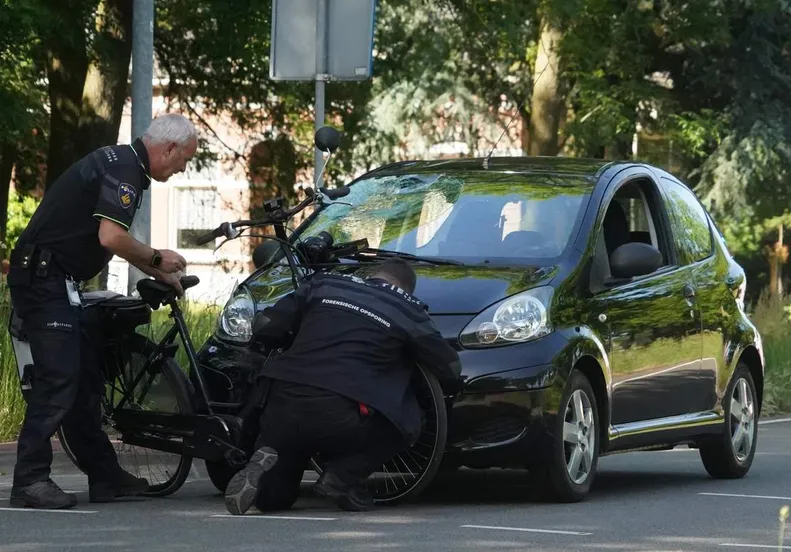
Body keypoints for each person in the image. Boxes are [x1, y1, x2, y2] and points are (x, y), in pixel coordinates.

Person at [6, 113, 198, 509]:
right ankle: (29, 480)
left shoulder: (121, 162)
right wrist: (157, 258)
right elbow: (111, 236)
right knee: (59, 378)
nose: (182, 169)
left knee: (85, 377)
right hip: (44, 280)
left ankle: (106, 476)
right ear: (169, 148)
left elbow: (110, 239)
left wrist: (156, 270)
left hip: (55, 279)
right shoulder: (126, 170)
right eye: (184, 160)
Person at [224, 258, 462, 515]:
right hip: (340, 413)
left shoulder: (323, 284)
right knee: (410, 421)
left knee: (275, 500)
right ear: (406, 289)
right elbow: (450, 368)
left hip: (281, 404)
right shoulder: (408, 309)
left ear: (373, 275)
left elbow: (267, 326)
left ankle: (265, 460)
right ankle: (339, 477)